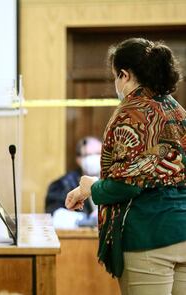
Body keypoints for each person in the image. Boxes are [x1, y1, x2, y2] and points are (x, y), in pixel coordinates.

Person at [66, 37, 186, 295]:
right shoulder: (176, 110)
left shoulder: (131, 112)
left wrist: (90, 188)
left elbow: (127, 183)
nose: (116, 84)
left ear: (125, 74)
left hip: (149, 235)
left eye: (115, 77)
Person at [45, 136, 102, 216]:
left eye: (98, 153)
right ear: (78, 159)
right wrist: (86, 220)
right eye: (87, 155)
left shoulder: (113, 182)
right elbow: (54, 214)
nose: (93, 158)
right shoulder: (63, 184)